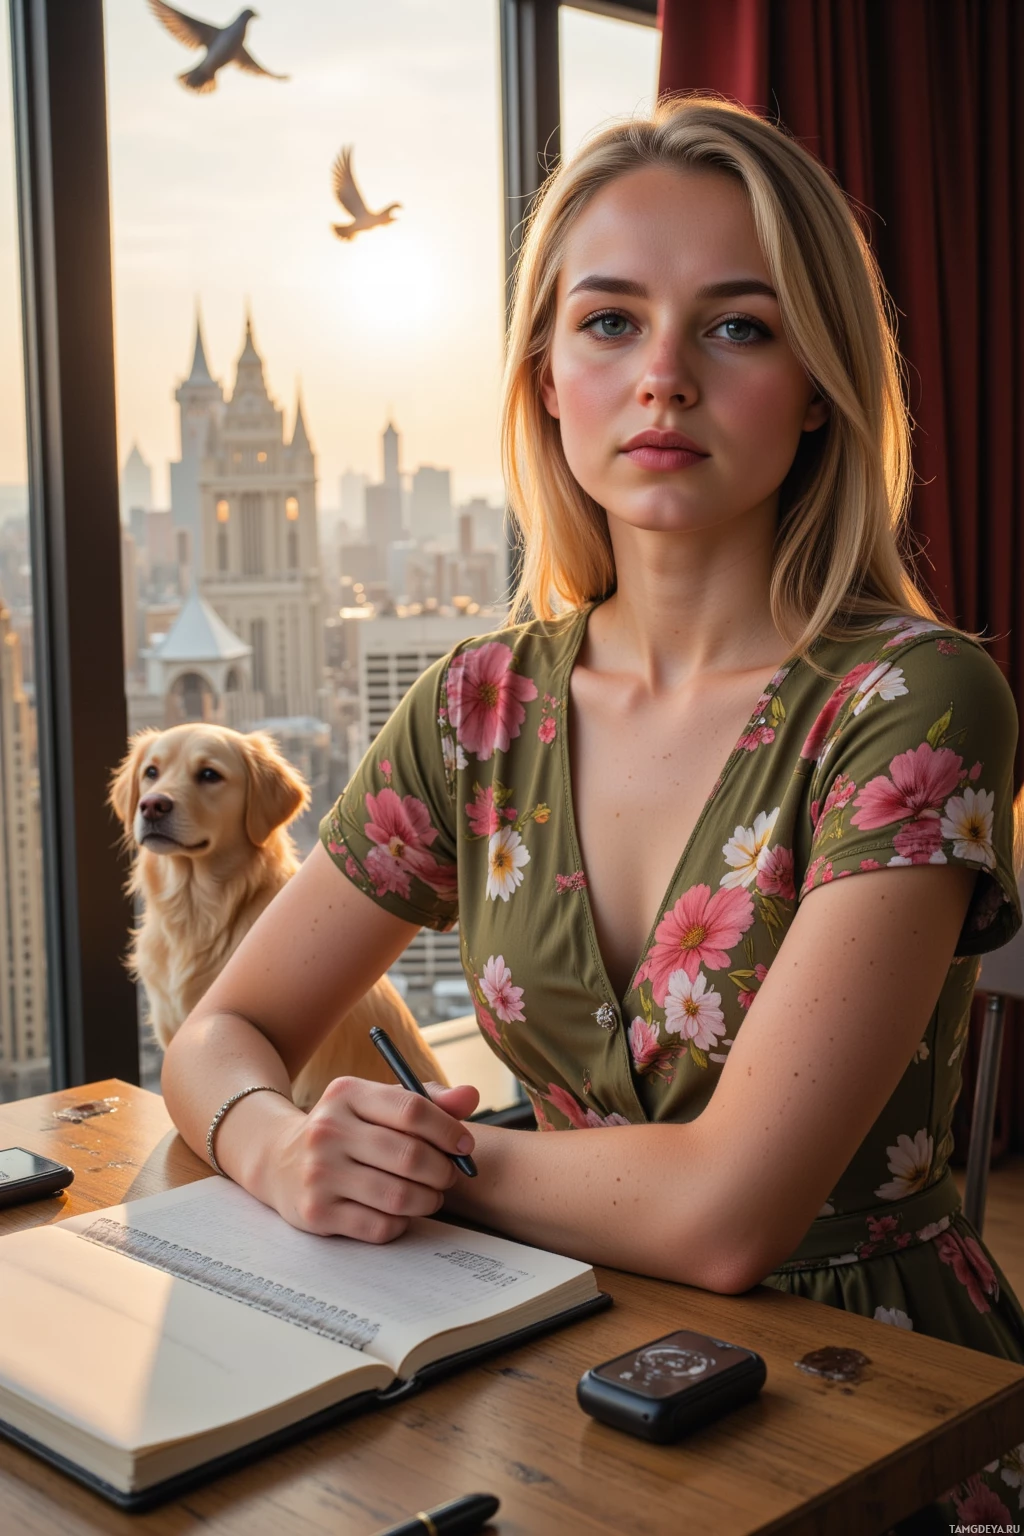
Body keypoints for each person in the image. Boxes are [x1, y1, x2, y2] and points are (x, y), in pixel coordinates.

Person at [162, 96, 1024, 1525]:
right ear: (546, 378)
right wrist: (281, 1145)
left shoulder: (915, 702)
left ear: (818, 382)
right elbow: (220, 1033)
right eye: (610, 322)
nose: (664, 378)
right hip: (547, 1362)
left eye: (738, 326)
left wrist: (421, 1163)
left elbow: (726, 1214)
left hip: (869, 1406)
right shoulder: (473, 708)